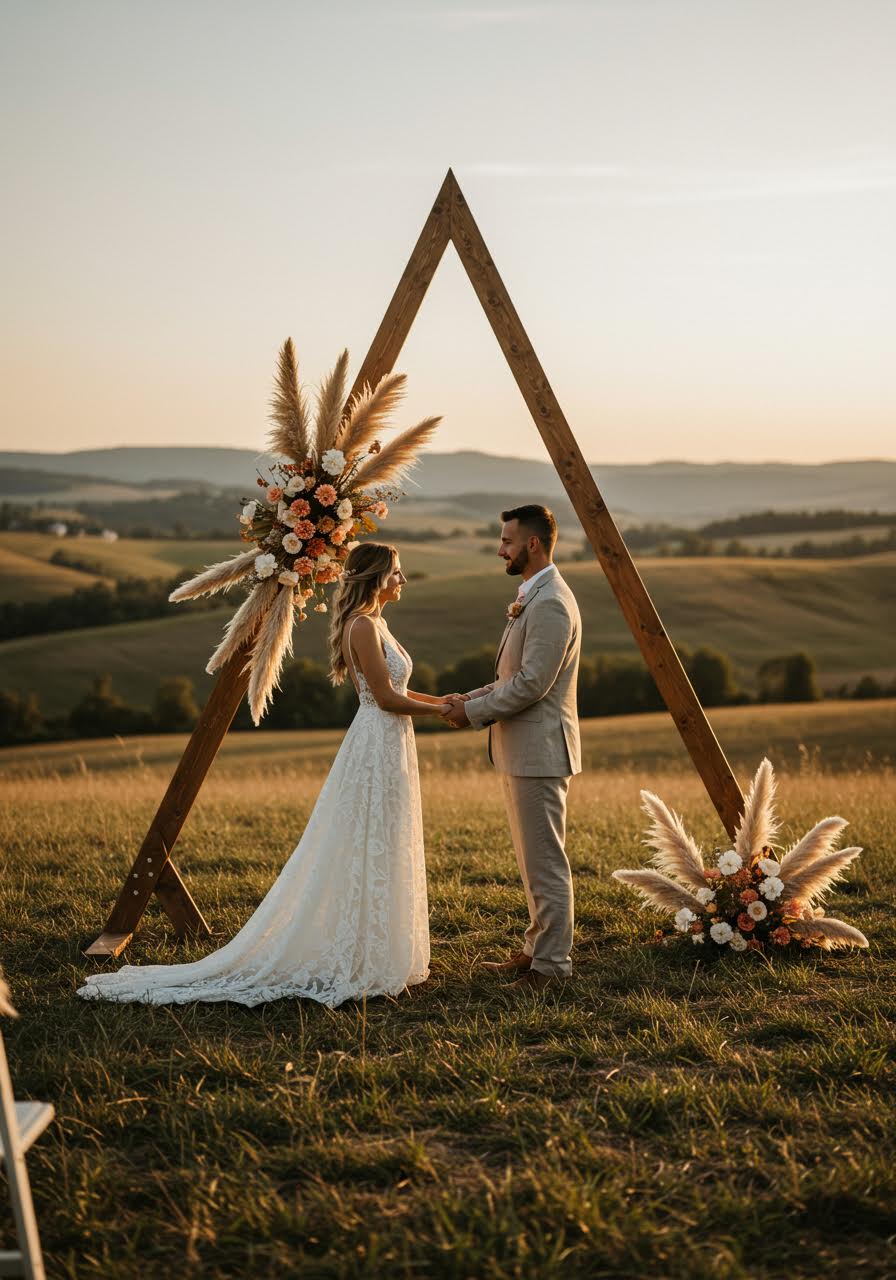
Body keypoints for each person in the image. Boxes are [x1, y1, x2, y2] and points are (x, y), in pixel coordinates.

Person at [77, 543, 452, 1009]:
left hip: (392, 740)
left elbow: (401, 690)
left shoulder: (378, 623)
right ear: (374, 577)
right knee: (366, 837)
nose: (402, 580)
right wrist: (446, 715)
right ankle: (358, 949)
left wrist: (443, 701)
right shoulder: (360, 626)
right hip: (377, 739)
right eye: (396, 573)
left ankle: (377, 943)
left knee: (387, 835)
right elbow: (385, 698)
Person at [441, 504, 582, 993]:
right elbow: (509, 678)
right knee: (530, 858)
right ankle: (535, 948)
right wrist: (469, 697)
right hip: (521, 749)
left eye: (507, 540)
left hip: (540, 751)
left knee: (545, 860)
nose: (500, 548)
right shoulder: (534, 595)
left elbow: (531, 685)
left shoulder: (551, 604)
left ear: (533, 544)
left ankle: (552, 967)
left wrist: (473, 713)